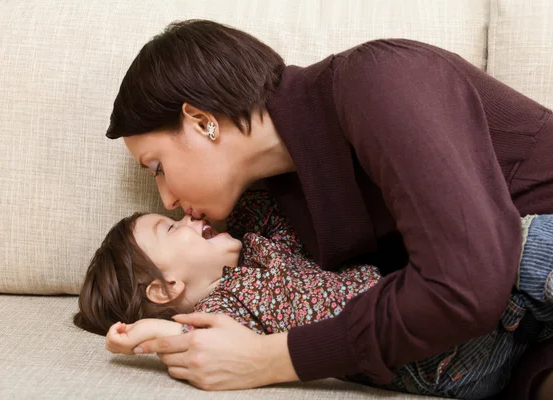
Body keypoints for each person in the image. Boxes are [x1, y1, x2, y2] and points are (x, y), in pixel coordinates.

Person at [103, 19, 553, 399]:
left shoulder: (380, 78)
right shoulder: (278, 212)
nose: (167, 201)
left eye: (157, 167)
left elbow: (463, 287)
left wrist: (270, 359)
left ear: (203, 122)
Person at [75, 189, 553, 399]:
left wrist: (204, 197)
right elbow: (182, 339)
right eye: (171, 227)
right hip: (433, 356)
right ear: (166, 288)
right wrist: (137, 334)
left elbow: (259, 198)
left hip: (483, 334)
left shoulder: (262, 243)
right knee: (527, 240)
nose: (188, 218)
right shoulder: (224, 311)